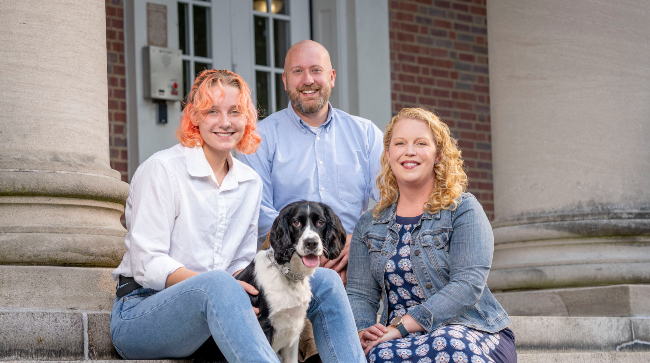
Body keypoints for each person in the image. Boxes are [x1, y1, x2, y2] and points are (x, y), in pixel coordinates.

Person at [110, 69, 365, 363]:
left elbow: (241, 265)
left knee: (327, 282)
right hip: (142, 313)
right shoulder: (163, 170)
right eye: (212, 112)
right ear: (194, 116)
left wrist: (241, 286)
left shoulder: (249, 181)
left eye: (235, 111)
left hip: (220, 313)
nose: (225, 122)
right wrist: (219, 286)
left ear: (247, 119)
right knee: (219, 283)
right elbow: (147, 264)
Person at [347, 108, 516, 363]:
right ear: (388, 154)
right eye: (400, 143)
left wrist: (402, 326)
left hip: (471, 330)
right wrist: (363, 330)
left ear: (438, 155)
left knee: (447, 343)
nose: (409, 151)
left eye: (421, 143)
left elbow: (468, 285)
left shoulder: (463, 210)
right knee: (376, 356)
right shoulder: (369, 225)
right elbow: (360, 294)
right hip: (399, 339)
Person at [240, 40, 384, 285]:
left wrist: (362, 239)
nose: (308, 80)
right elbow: (260, 215)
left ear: (332, 76)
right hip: (286, 270)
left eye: (316, 70)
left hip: (353, 263)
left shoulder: (366, 134)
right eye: (297, 71)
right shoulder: (259, 139)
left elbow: (393, 199)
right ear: (285, 80)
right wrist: (309, 251)